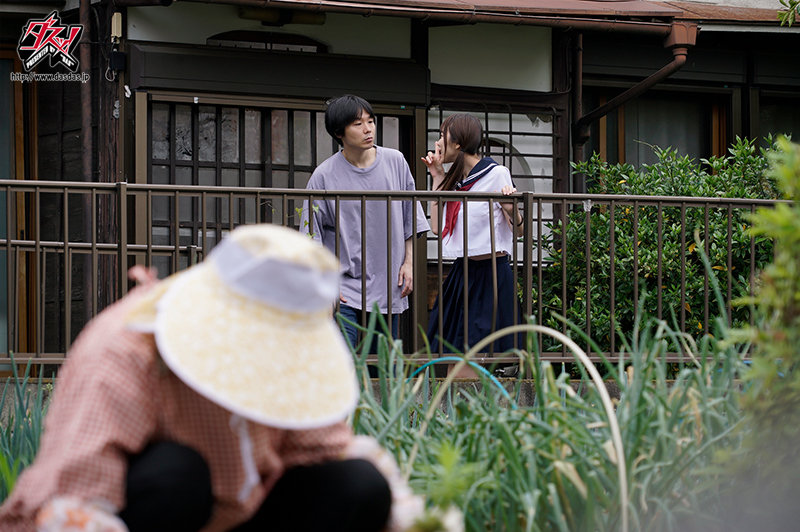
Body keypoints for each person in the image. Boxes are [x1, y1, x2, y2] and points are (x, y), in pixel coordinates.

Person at [0, 224, 423, 532]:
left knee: (358, 483)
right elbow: (76, 498)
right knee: (175, 474)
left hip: (242, 511)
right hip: (148, 512)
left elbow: (324, 446)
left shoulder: (278, 360)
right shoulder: (127, 349)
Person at [302, 95, 429, 353]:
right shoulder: (323, 175)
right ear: (339, 132)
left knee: (381, 365)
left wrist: (409, 263)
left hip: (388, 283)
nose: (368, 129)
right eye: (358, 124)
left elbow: (410, 218)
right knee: (343, 360)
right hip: (343, 285)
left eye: (370, 121)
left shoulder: (396, 162)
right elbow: (311, 236)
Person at [422, 113, 524, 354]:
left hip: (491, 273)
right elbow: (437, 227)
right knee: (453, 354)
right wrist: (437, 176)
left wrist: (512, 210)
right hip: (462, 272)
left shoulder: (497, 174)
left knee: (476, 355)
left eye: (442, 136)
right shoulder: (456, 180)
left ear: (458, 143)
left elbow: (519, 231)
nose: (438, 142)